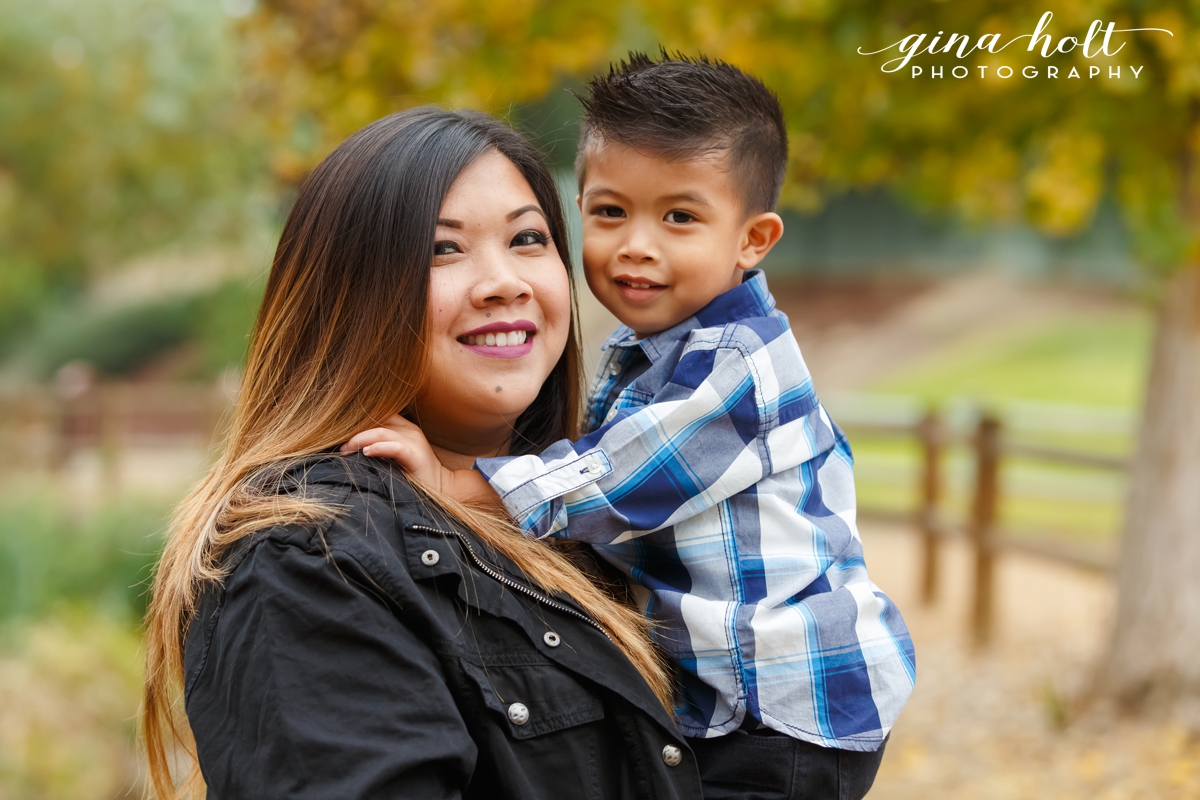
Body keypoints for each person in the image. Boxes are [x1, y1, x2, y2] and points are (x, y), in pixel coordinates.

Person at [345, 53, 916, 799]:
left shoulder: (740, 365)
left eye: (679, 217)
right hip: (733, 703)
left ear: (753, 239)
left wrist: (457, 484)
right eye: (611, 212)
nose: (637, 245)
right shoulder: (648, 354)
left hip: (785, 713)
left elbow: (618, 478)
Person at [140, 106, 707, 800]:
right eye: (443, 249)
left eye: (529, 239)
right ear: (348, 298)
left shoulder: (595, 528)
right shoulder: (308, 555)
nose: (505, 281)